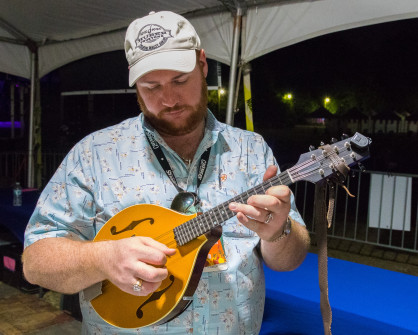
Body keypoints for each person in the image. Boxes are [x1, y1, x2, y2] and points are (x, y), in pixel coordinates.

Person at [22, 10, 310, 335]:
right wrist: (101, 259)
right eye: (151, 86)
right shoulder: (94, 155)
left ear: (202, 65)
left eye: (180, 80)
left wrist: (278, 232)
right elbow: (36, 261)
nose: (169, 99)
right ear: (133, 81)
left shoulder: (251, 151)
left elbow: (290, 258)